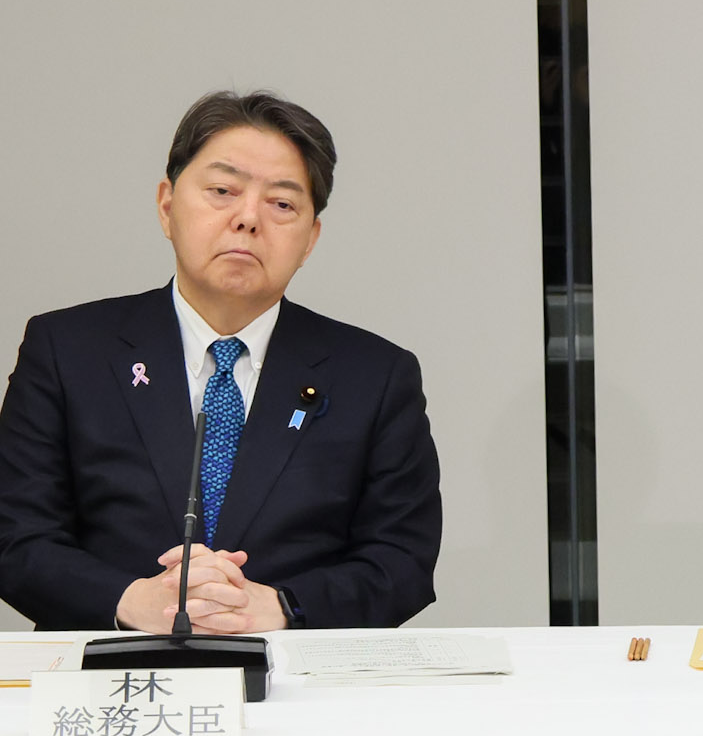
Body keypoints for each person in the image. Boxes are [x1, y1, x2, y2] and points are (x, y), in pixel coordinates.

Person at [0, 91, 442, 632]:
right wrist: (133, 601)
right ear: (167, 206)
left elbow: (401, 559)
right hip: (113, 680)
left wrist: (280, 606)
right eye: (222, 191)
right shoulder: (67, 350)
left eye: (282, 204)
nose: (248, 218)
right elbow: (15, 536)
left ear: (310, 239)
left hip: (299, 683)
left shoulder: (374, 375)